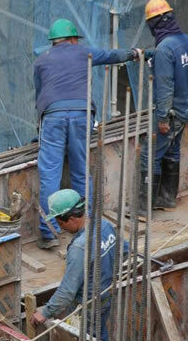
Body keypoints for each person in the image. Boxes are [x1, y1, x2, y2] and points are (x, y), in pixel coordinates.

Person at [34, 19, 140, 249]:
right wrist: (134, 53)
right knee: (81, 171)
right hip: (82, 115)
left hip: (52, 115)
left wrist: (41, 124)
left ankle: (48, 233)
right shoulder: (83, 52)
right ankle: (87, 225)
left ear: (53, 42)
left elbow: (39, 95)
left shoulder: (41, 60)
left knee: (49, 175)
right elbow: (112, 56)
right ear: (73, 39)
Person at [30, 189, 128, 341]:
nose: (62, 228)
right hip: (106, 297)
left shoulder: (80, 248)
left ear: (72, 218)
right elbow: (125, 251)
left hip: (86, 307)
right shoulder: (104, 226)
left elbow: (68, 290)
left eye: (61, 223)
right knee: (99, 338)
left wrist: (45, 313)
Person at [140, 0, 188, 212]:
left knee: (150, 155)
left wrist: (163, 118)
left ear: (154, 23)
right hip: (184, 109)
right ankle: (167, 198)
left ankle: (143, 208)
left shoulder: (164, 49)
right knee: (172, 151)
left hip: (170, 113)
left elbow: (164, 86)